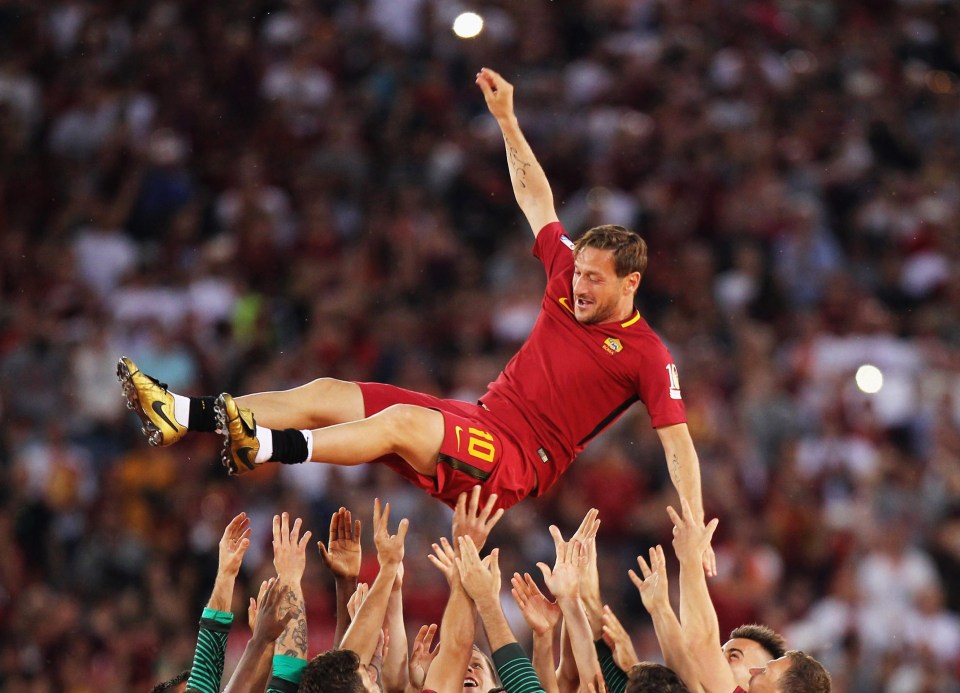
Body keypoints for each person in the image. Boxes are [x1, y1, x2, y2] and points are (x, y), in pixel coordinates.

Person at [117, 66, 713, 571]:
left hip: (518, 462)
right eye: (578, 271)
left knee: (401, 420)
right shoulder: (564, 276)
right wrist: (507, 120)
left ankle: (267, 447)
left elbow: (679, 446)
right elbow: (538, 201)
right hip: (480, 420)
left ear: (630, 283)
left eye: (595, 279)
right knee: (329, 392)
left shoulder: (648, 355)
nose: (579, 285)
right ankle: (182, 415)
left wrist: (693, 529)